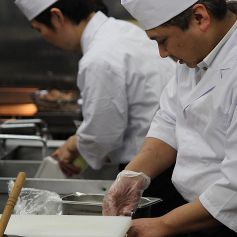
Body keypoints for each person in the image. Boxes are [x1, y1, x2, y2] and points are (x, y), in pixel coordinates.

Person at [102, 0, 237, 236]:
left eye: (162, 40)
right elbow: (169, 121)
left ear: (199, 17)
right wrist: (133, 175)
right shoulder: (197, 54)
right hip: (198, 212)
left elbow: (234, 186)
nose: (162, 54)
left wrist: (165, 225)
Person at [14, 0, 176, 178]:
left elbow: (103, 134)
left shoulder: (98, 58)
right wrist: (78, 142)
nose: (44, 38)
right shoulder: (123, 30)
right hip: (167, 156)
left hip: (150, 169)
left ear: (57, 16)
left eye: (39, 29)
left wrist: (74, 145)